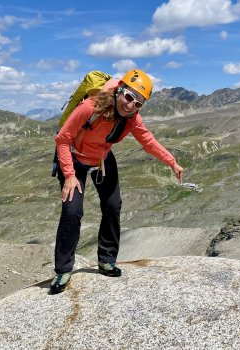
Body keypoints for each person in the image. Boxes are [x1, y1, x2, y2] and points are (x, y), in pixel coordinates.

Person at [50, 69, 184, 294]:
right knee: (72, 211)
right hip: (73, 157)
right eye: (129, 97)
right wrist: (70, 175)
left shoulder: (131, 119)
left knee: (113, 205)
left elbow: (148, 142)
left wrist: (172, 163)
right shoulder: (90, 107)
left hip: (101, 158)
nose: (131, 105)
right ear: (119, 91)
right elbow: (62, 139)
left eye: (138, 103)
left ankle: (106, 260)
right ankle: (63, 270)